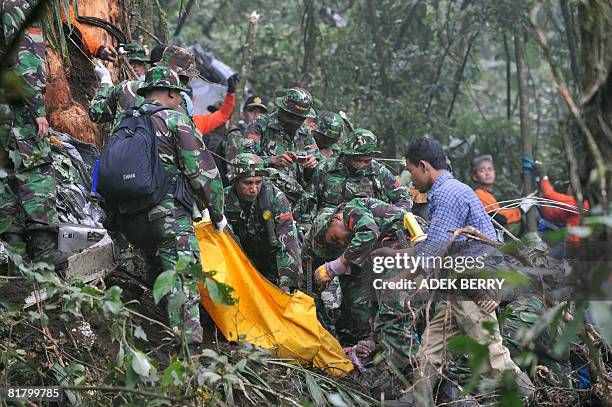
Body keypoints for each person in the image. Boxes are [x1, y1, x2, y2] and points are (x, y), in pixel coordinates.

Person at [395, 138, 532, 406]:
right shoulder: (453, 189)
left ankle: (530, 399)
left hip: (470, 284)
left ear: (423, 166)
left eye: (411, 171)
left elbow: (435, 247)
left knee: (492, 354)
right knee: (430, 348)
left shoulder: (446, 194)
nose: (412, 180)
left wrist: (402, 278)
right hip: (460, 283)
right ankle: (417, 399)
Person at [113, 65, 226, 344]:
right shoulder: (176, 121)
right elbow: (202, 174)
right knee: (183, 281)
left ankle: (158, 337)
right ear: (169, 93)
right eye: (178, 93)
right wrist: (217, 213)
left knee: (157, 272)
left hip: (131, 219)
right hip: (169, 219)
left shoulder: (126, 122)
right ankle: (189, 355)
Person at [309, 198, 418, 370]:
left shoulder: (350, 209)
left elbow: (369, 232)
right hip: (406, 256)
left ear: (336, 220)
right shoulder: (358, 242)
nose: (342, 243)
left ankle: (410, 372)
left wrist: (336, 266)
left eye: (336, 238)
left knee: (394, 320)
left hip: (412, 249)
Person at [0, 0, 67, 265]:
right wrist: (37, 109)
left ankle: (13, 251)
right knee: (36, 168)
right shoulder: (17, 6)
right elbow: (25, 59)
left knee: (6, 177)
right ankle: (43, 250)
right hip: (19, 106)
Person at [239, 87, 321, 223]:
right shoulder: (261, 124)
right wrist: (272, 160)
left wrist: (312, 164)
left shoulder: (304, 133)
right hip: (265, 197)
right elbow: (244, 159)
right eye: (290, 117)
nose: (294, 121)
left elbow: (316, 163)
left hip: (297, 203)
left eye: (299, 119)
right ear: (281, 109)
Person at [224, 153, 302, 292]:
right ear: (235, 181)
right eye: (247, 183)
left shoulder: (275, 197)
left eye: (258, 182)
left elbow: (288, 240)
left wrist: (287, 282)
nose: (253, 189)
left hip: (274, 259)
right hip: (241, 262)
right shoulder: (223, 200)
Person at [310, 128, 412, 212]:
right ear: (347, 154)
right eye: (357, 160)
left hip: (368, 228)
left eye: (367, 161)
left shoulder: (379, 172)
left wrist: (388, 216)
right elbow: (310, 198)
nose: (361, 165)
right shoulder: (325, 168)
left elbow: (404, 199)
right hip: (329, 226)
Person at [89, 41, 152, 128]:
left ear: (145, 67)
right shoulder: (154, 88)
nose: (135, 68)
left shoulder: (142, 88)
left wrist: (105, 82)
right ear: (120, 64)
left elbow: (96, 113)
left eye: (140, 64)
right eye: (131, 63)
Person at [534, 162, 590, 245]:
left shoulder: (578, 203)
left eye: (569, 186)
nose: (567, 189)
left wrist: (543, 175)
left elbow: (549, 194)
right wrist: (541, 197)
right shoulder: (571, 208)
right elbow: (549, 214)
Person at [472, 154, 533, 228]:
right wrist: (521, 209)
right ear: (474, 177)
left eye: (490, 169)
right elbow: (499, 217)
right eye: (482, 171)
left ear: (494, 173)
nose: (487, 173)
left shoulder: (488, 194)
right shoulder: (478, 194)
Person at [225, 95, 269, 162]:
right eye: (251, 111)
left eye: (261, 112)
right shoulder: (236, 134)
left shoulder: (270, 135)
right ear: (243, 114)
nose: (256, 115)